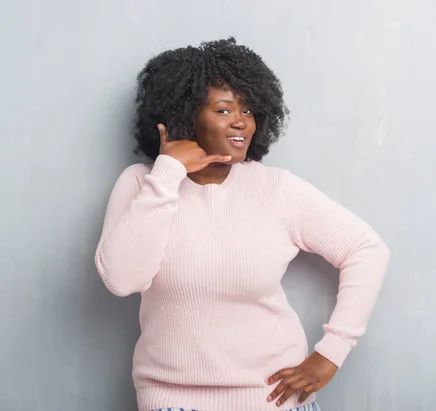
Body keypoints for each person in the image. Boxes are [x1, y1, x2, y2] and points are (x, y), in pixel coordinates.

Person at [95, 38, 390, 411]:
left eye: (248, 110)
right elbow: (122, 280)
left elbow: (366, 249)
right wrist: (168, 174)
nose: (241, 121)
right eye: (223, 109)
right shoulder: (143, 184)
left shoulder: (275, 188)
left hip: (274, 401)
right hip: (173, 402)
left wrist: (331, 353)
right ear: (184, 114)